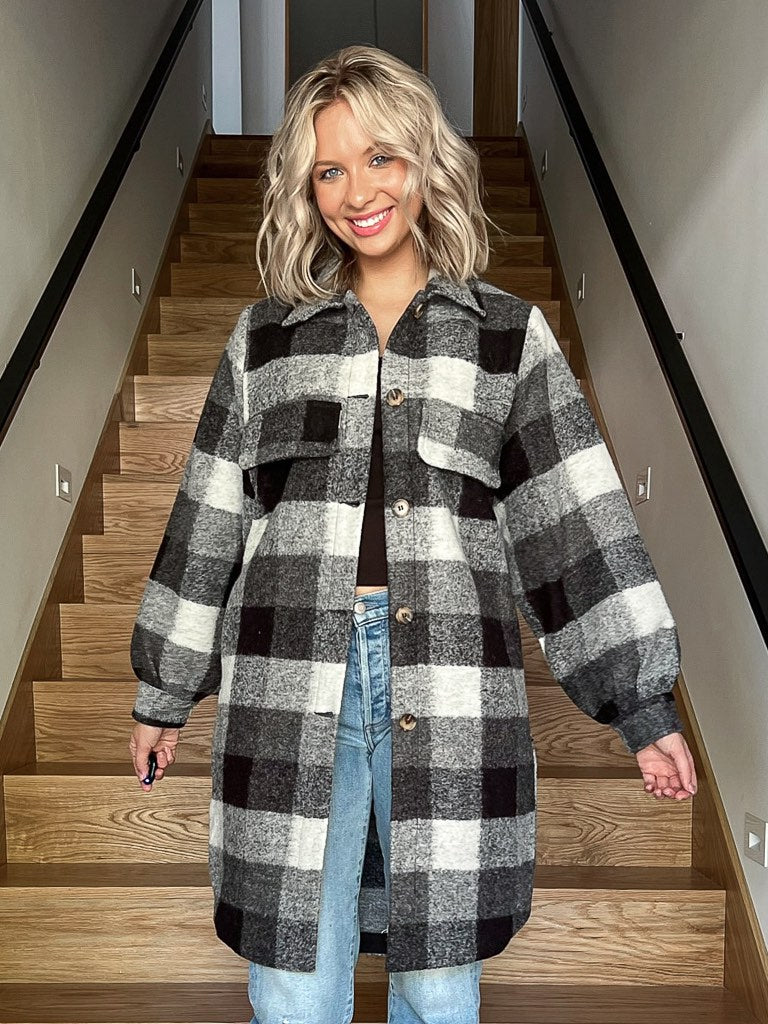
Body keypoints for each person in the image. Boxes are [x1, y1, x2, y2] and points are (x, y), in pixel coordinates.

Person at [128, 44, 697, 1024]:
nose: (358, 192)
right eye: (329, 170)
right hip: (287, 678)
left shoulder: (508, 338)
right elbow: (208, 520)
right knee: (293, 978)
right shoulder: (265, 339)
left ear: (425, 159)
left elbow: (573, 528)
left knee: (438, 982)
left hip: (452, 682)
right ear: (305, 189)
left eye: (380, 157)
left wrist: (642, 707)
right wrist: (164, 692)